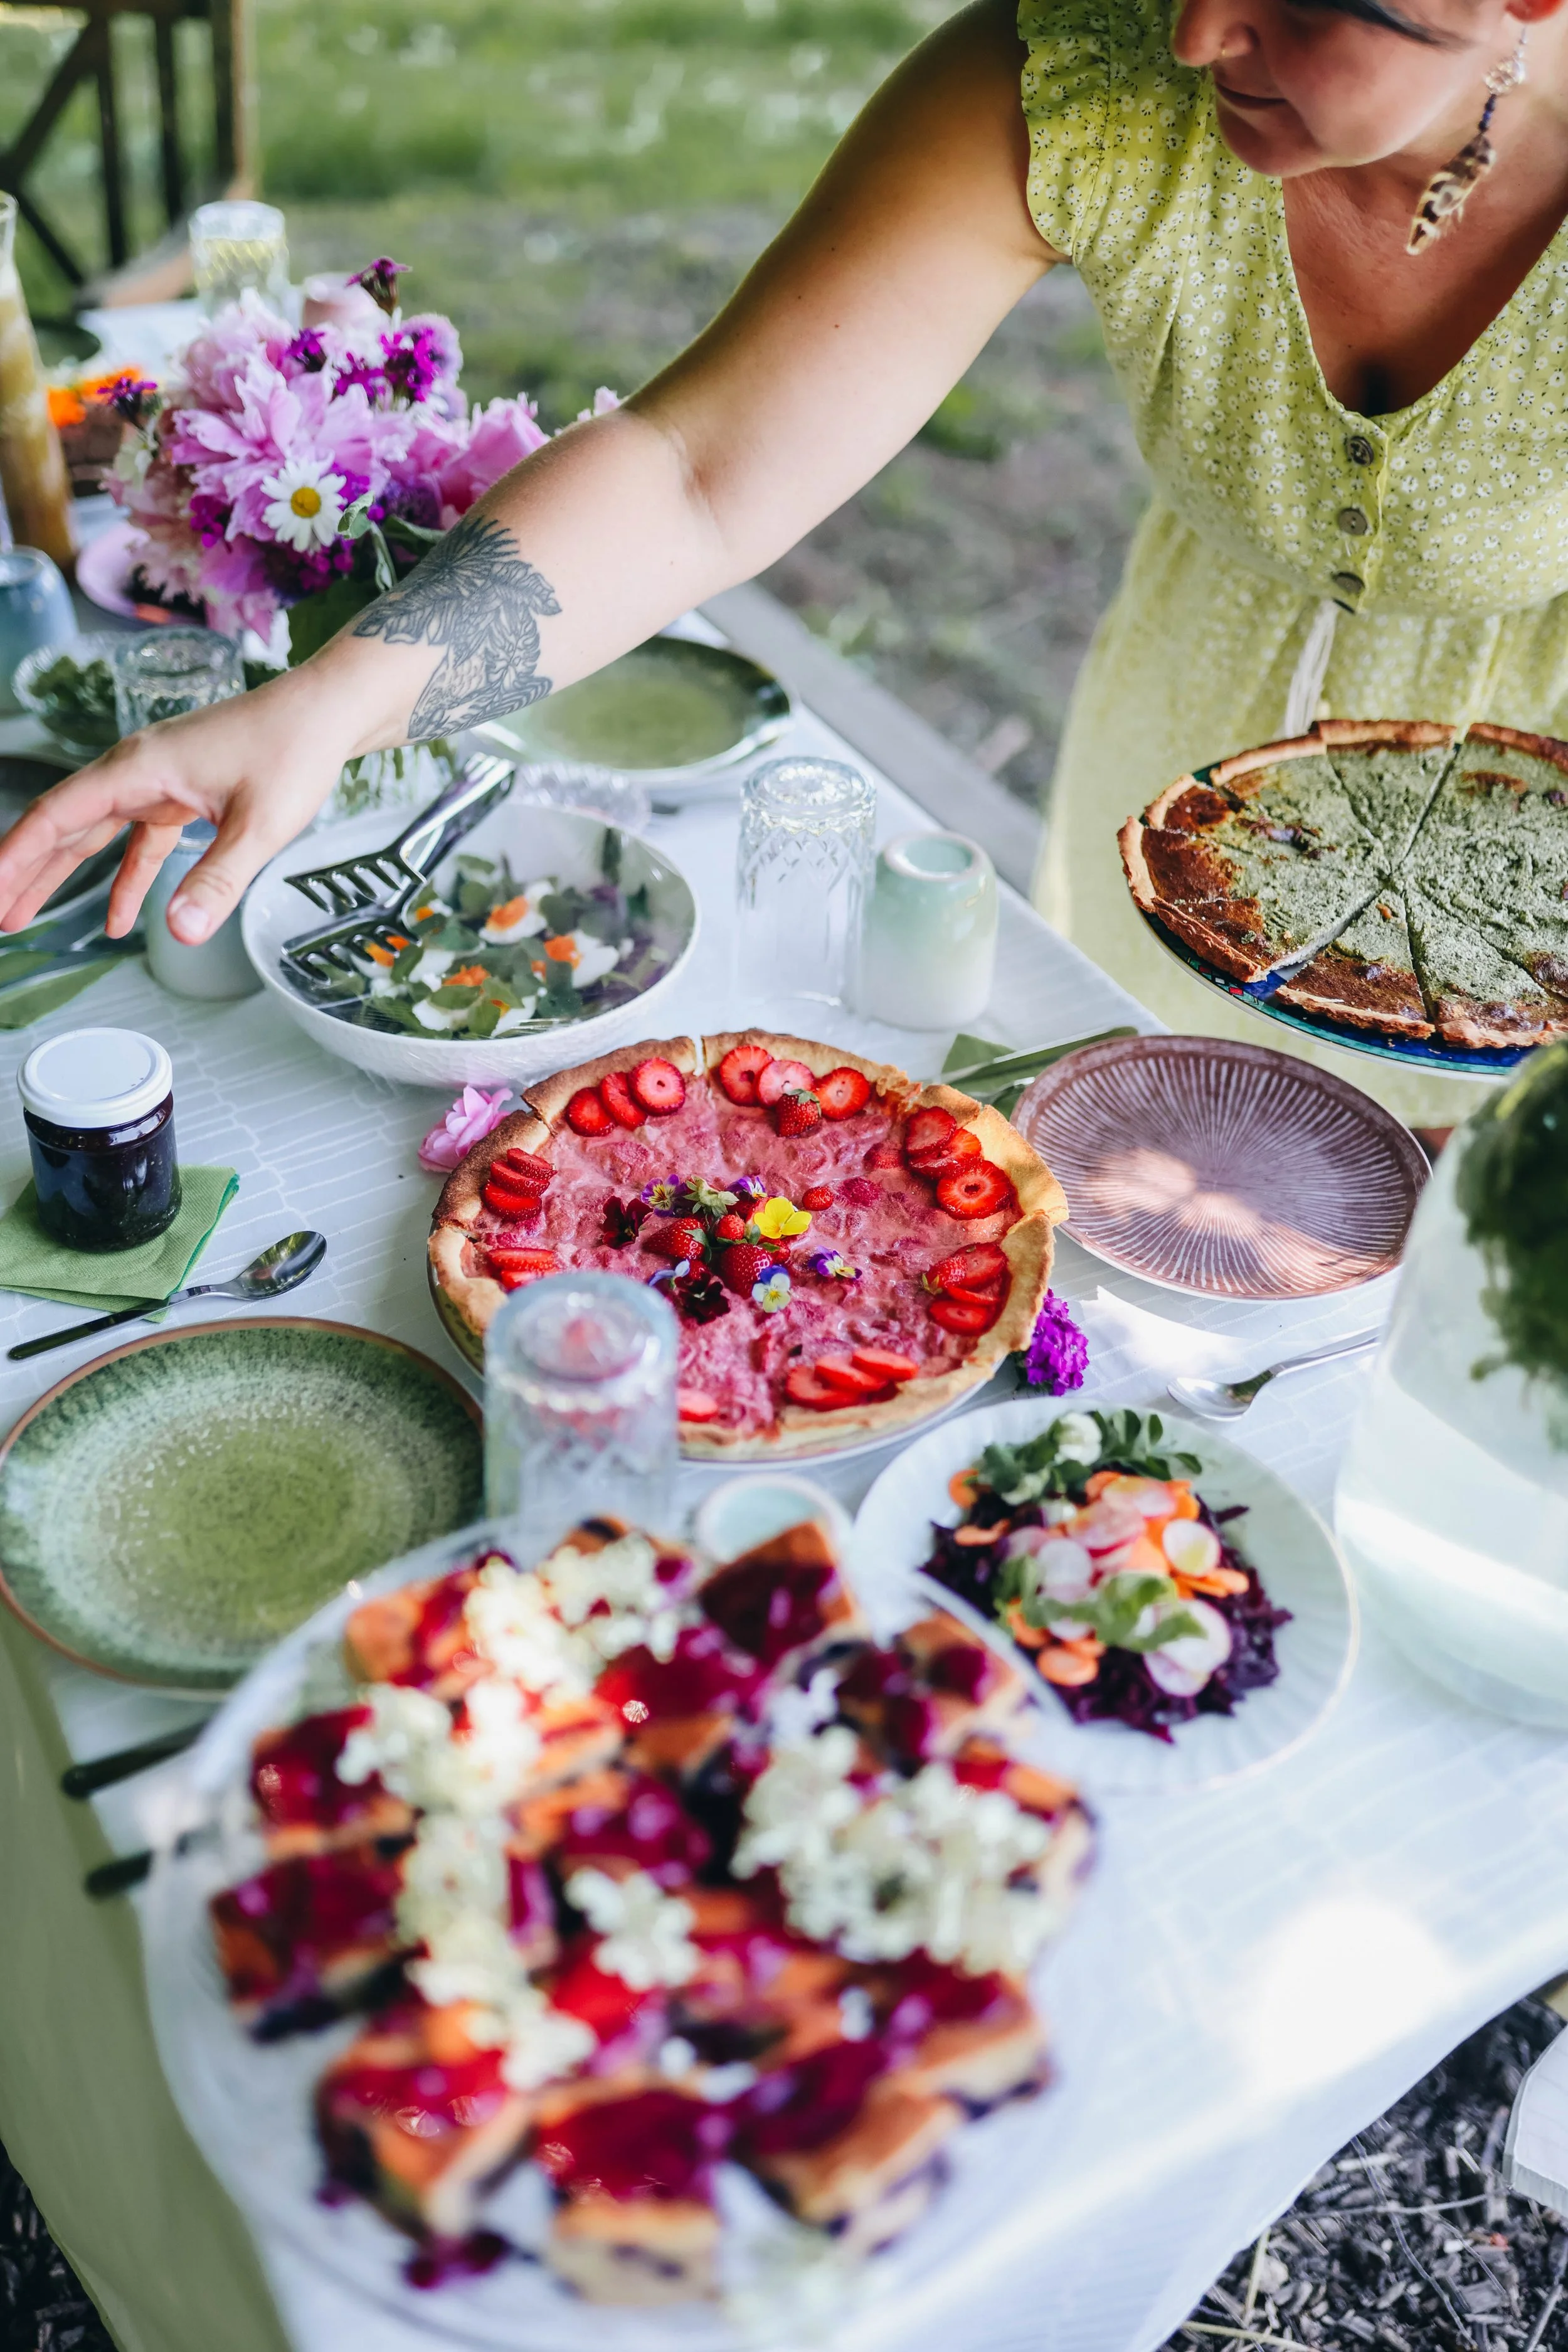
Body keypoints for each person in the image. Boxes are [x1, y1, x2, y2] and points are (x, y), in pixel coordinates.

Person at [4, 0, 1566, 1123]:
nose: (1193, 34)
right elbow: (695, 474)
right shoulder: (1080, 65)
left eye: (1310, 2)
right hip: (1186, 739)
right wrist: (329, 707)